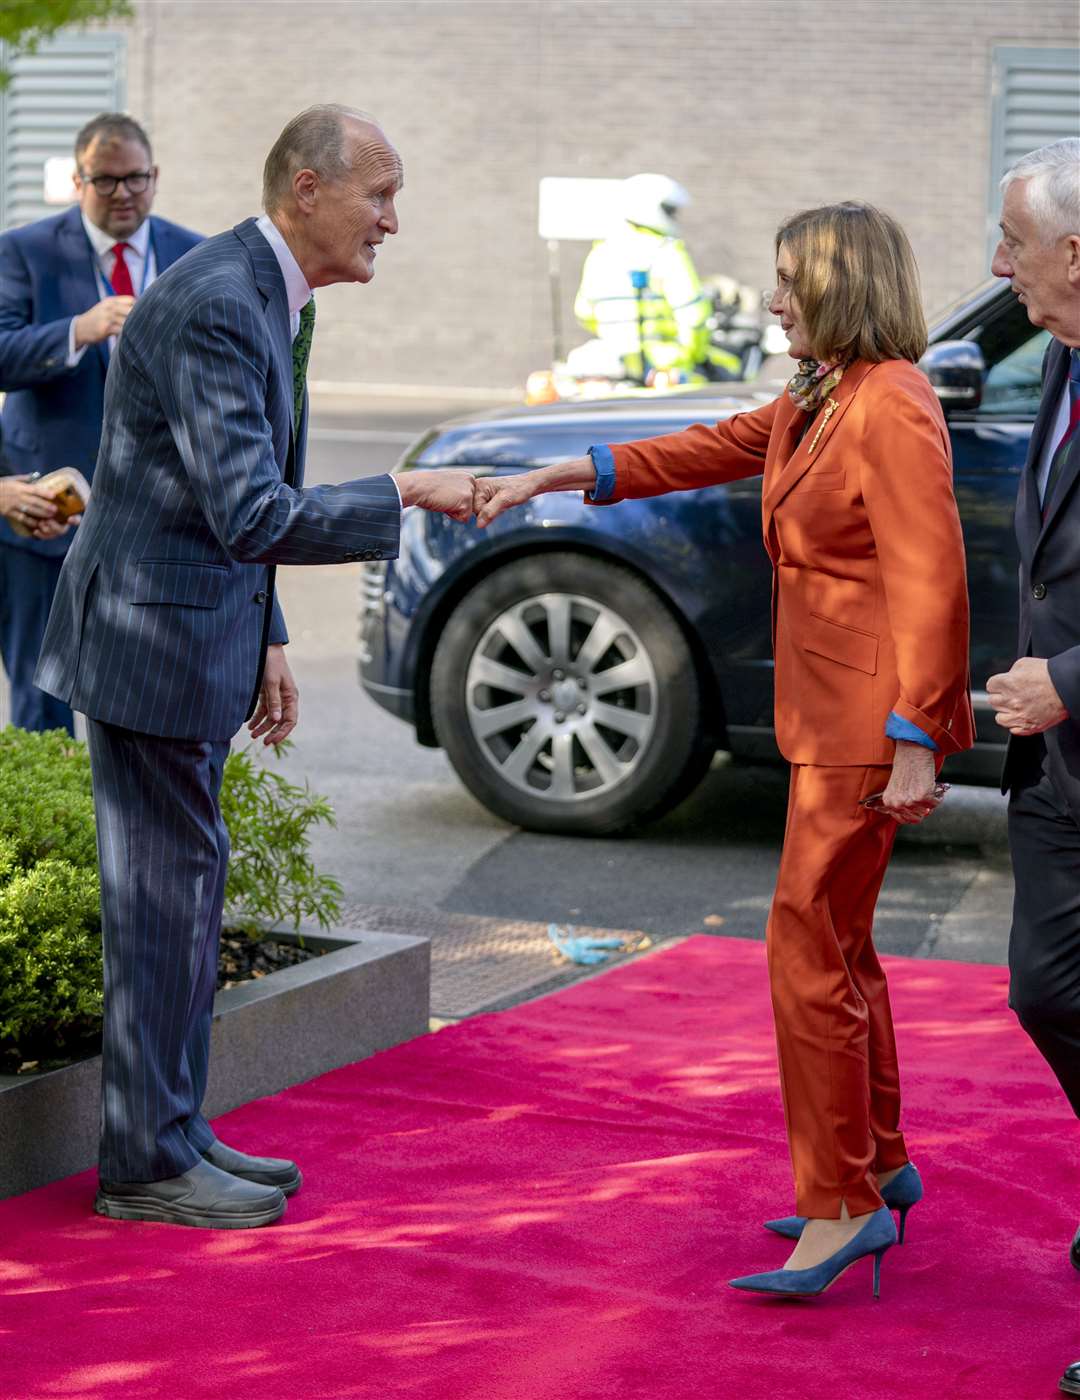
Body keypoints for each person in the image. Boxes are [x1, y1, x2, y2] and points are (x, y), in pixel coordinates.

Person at [475, 201, 974, 1298]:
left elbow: (935, 578)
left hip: (863, 728)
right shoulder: (822, 392)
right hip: (828, 715)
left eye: (792, 281)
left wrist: (917, 736)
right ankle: (877, 1165)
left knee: (804, 947)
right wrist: (558, 476)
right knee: (838, 944)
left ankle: (842, 1204)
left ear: (844, 286)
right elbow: (703, 446)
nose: (775, 300)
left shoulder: (888, 402)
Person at [34, 104, 476, 1230]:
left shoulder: (255, 286)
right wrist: (403, 494)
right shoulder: (226, 301)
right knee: (163, 909)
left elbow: (223, 494)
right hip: (150, 647)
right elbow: (252, 508)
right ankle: (145, 1161)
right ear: (307, 192)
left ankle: (171, 1132)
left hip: (191, 633)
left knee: (182, 901)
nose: (393, 220)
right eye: (381, 194)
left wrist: (268, 634)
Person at [0, 112, 202, 734]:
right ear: (78, 180)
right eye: (106, 181)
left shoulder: (192, 254)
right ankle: (51, 831)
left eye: (136, 179)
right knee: (43, 704)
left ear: (155, 176)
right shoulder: (26, 251)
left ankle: (128, 830)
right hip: (47, 509)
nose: (123, 194)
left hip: (154, 522)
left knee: (151, 703)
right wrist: (78, 330)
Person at [984, 137, 1080, 1400]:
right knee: (1043, 988)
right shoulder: (1059, 356)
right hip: (1056, 768)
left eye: (1013, 241)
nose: (996, 264)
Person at [573, 172, 737, 384]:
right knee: (731, 373)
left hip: (620, 366)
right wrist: (692, 355)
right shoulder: (667, 252)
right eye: (670, 210)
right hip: (668, 370)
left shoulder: (600, 253)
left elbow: (584, 312)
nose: (674, 217)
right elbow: (694, 316)